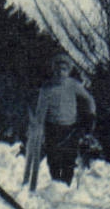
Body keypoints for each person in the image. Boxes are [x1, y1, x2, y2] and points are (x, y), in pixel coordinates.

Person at [26, 53, 97, 189]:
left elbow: (89, 99)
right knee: (53, 160)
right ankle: (56, 185)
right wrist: (38, 128)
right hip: (52, 127)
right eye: (58, 69)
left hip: (70, 128)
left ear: (68, 71)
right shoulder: (47, 88)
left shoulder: (74, 85)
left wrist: (91, 114)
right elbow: (40, 110)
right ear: (54, 70)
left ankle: (65, 186)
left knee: (69, 160)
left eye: (64, 69)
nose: (60, 73)